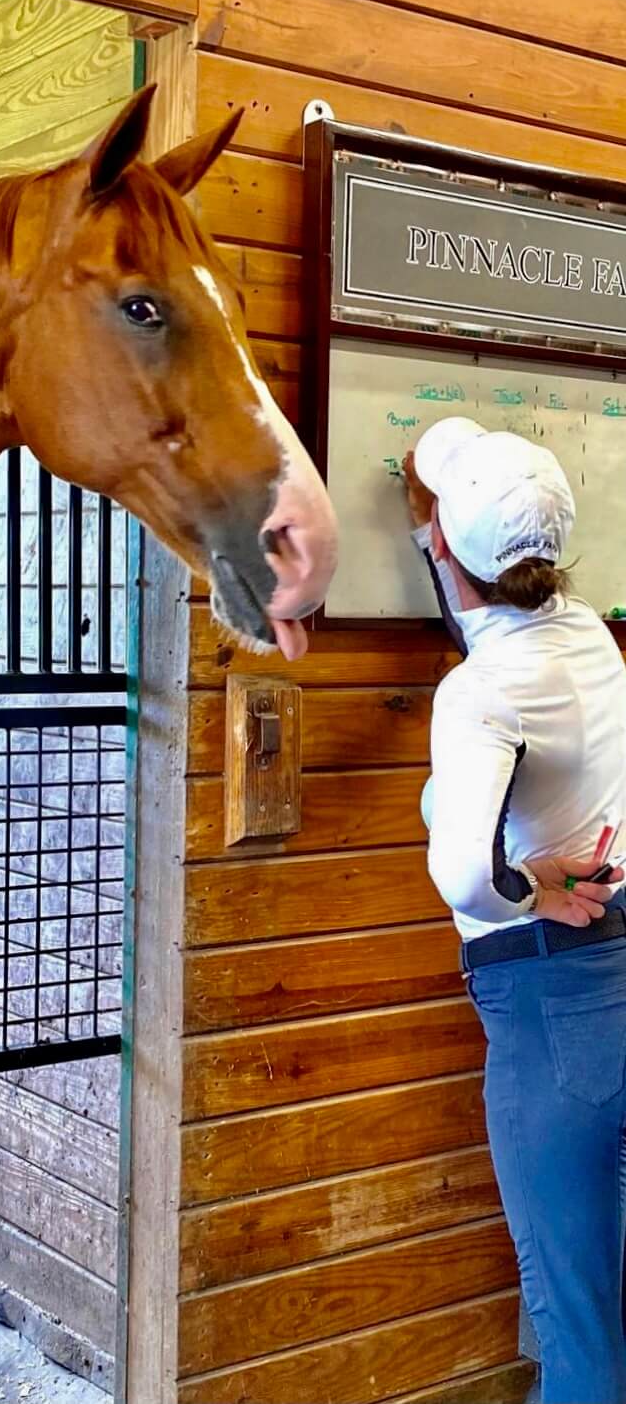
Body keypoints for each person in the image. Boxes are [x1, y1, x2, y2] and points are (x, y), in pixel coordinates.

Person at [404, 416, 626, 1404]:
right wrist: (436, 539)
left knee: (571, 1316)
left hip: (543, 998)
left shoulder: (477, 694)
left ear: (449, 548)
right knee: (606, 1296)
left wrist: (520, 885)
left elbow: (461, 874)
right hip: (615, 972)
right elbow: (497, 621)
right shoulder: (586, 637)